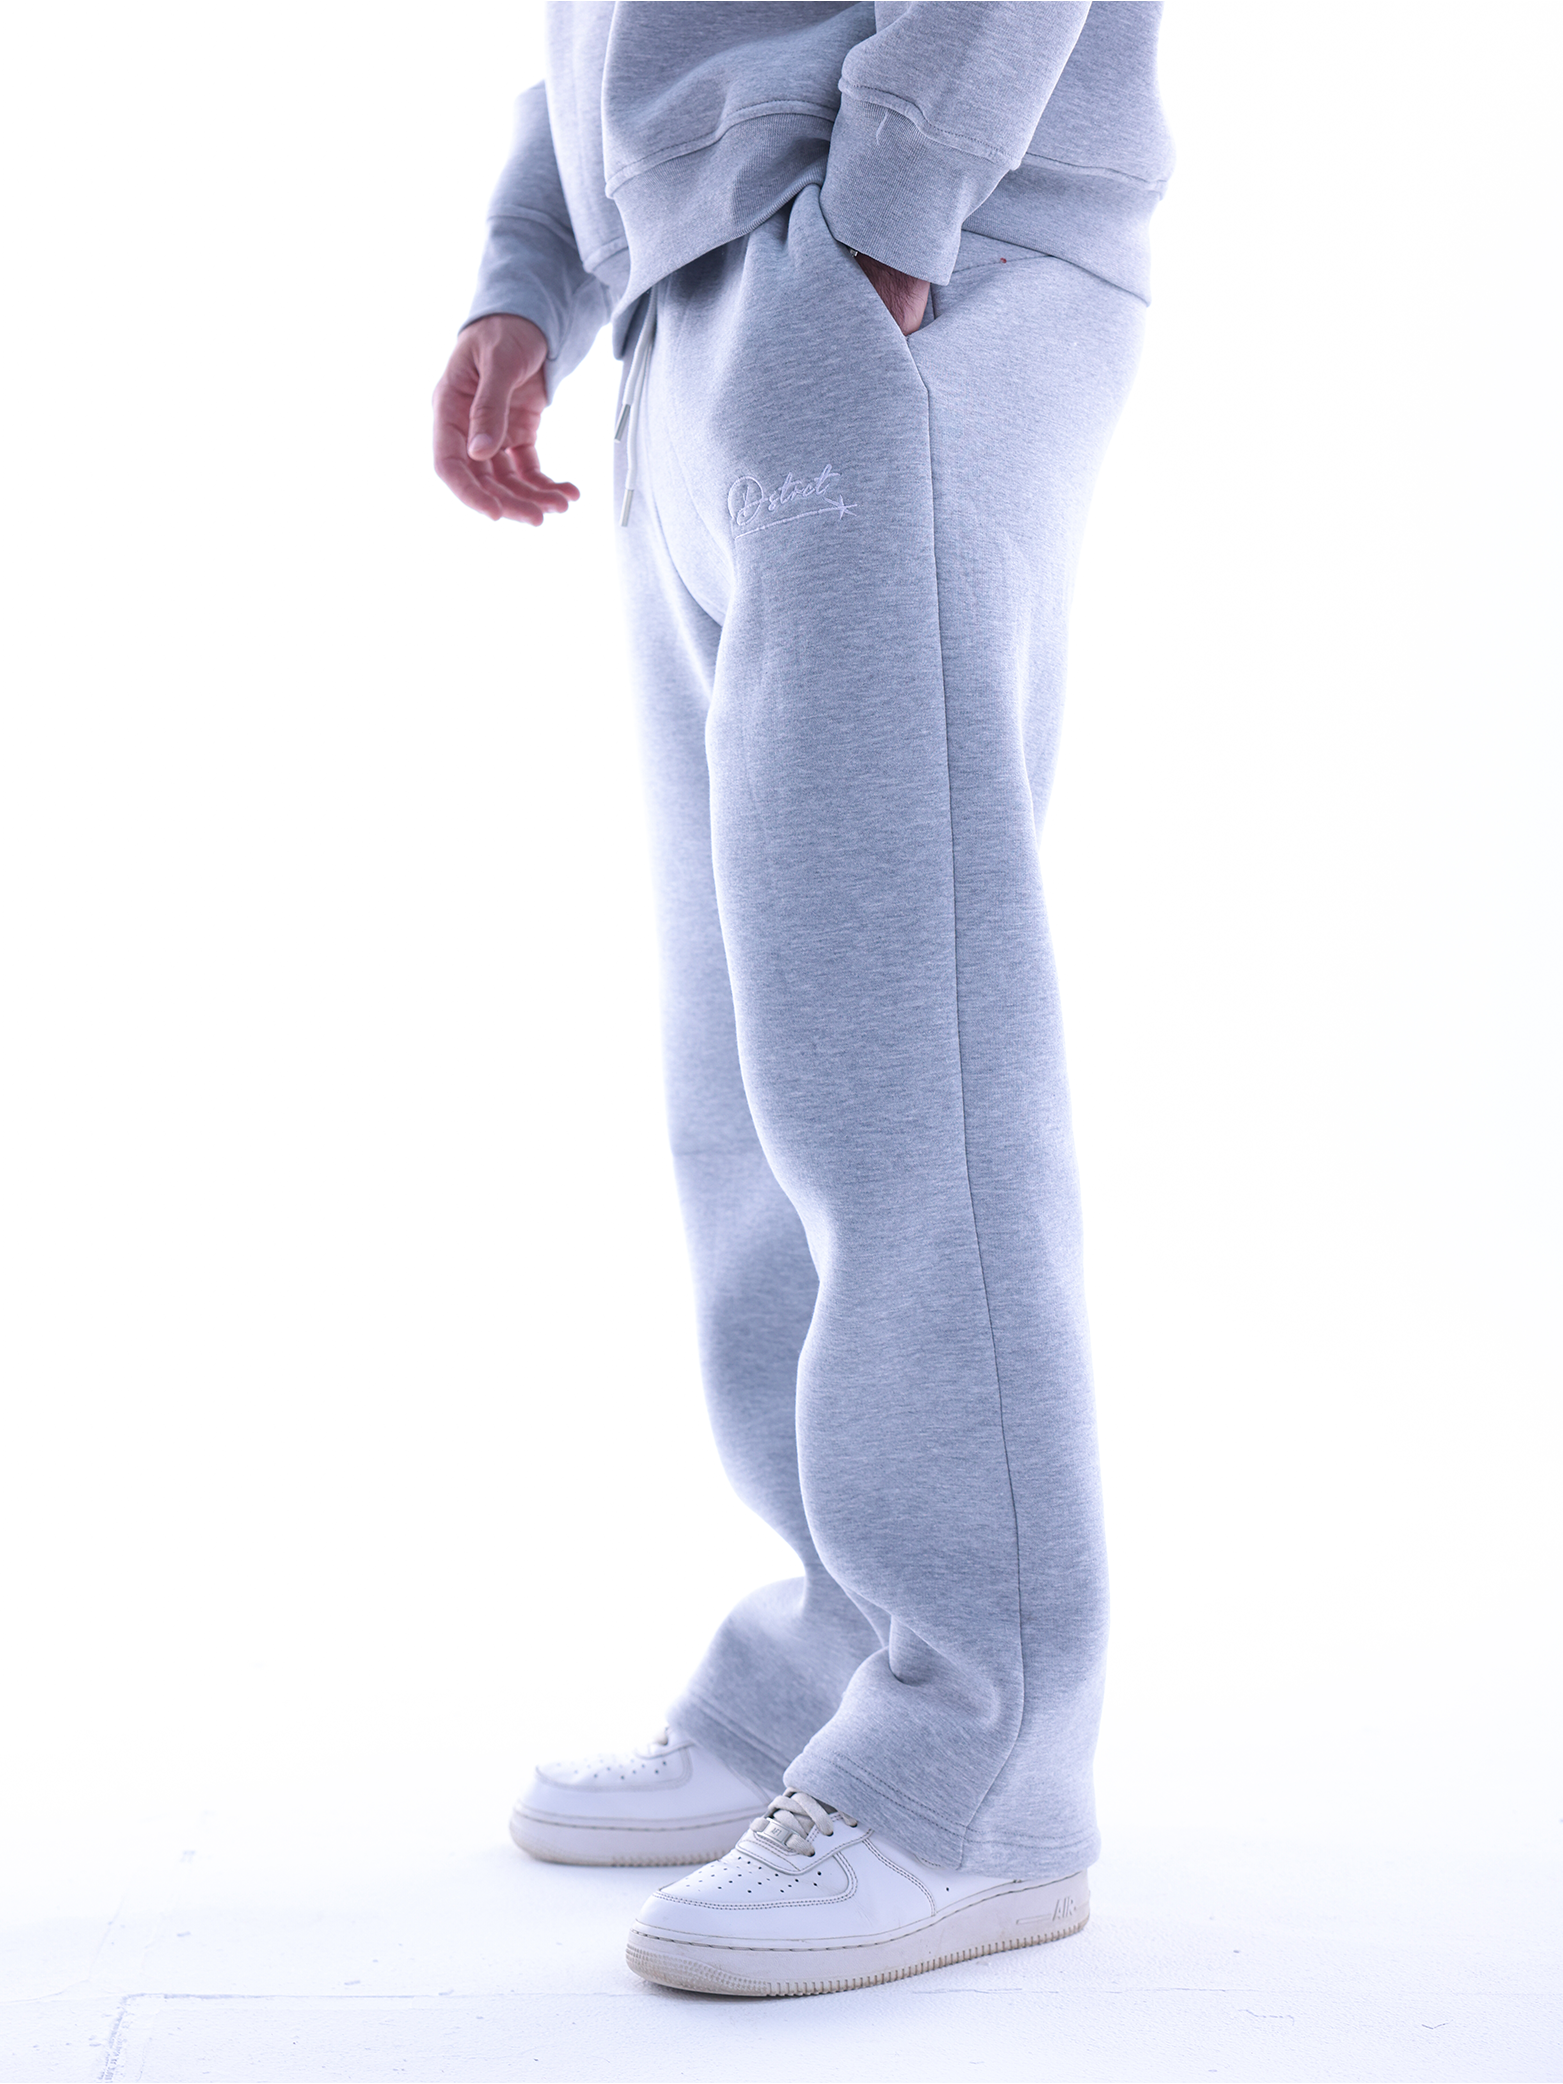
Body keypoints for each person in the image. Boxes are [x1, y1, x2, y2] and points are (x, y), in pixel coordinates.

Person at [432, 0, 1173, 2000]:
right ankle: (852, 1654)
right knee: (756, 1070)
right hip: (708, 287)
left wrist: (893, 201)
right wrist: (534, 270)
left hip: (880, 261)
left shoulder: (883, 238)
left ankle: (976, 1755)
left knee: (897, 1060)